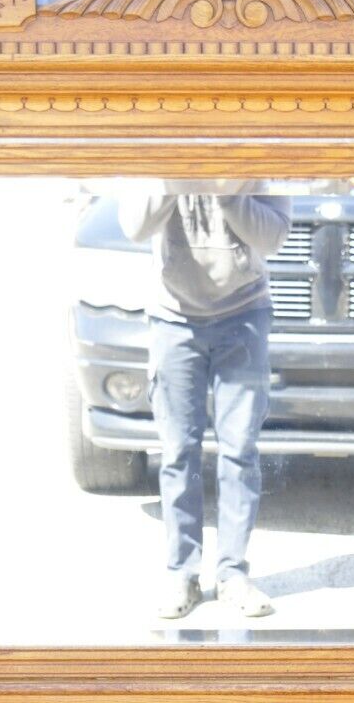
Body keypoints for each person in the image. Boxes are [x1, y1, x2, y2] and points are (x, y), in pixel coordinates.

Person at [118, 181, 291, 619]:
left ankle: (233, 575)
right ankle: (182, 574)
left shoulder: (259, 145)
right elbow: (134, 226)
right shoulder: (160, 143)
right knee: (177, 453)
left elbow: (275, 236)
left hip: (245, 314)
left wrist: (230, 193)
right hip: (174, 318)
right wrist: (174, 176)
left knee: (240, 452)